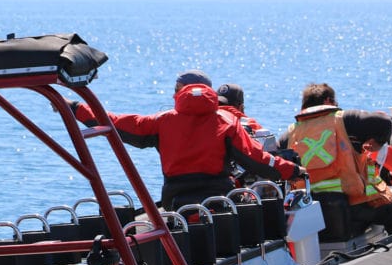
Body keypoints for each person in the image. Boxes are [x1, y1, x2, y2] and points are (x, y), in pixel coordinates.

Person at [65, 70, 306, 210]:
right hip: (218, 200)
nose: (172, 93)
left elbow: (116, 122)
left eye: (176, 88)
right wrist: (292, 170)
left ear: (182, 91)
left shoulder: (162, 121)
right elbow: (258, 159)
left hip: (175, 201)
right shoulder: (226, 121)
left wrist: (76, 108)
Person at [283, 82, 392, 234]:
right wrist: (376, 144)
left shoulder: (290, 134)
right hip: (352, 205)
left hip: (309, 211)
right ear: (328, 101)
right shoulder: (345, 120)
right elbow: (385, 123)